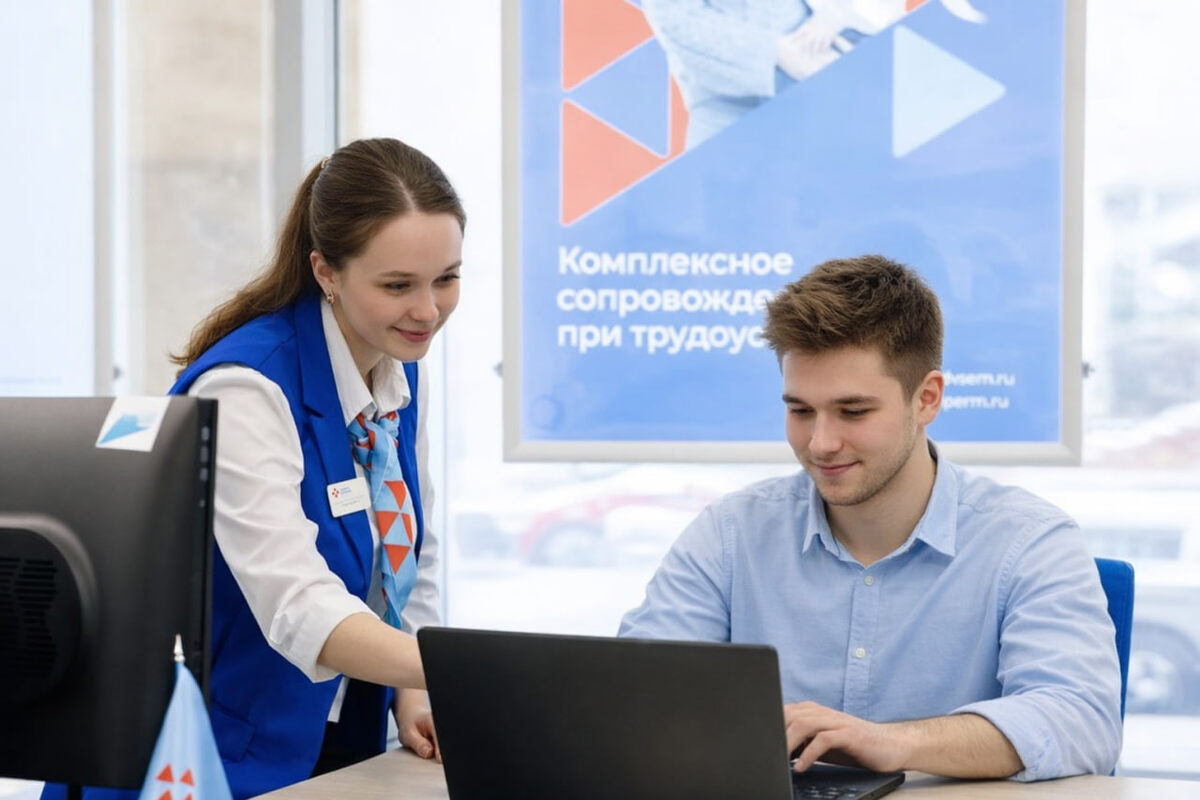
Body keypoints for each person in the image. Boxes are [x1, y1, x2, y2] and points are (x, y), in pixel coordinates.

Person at [44, 138, 464, 800]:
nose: (428, 311)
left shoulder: (399, 367)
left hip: (331, 746)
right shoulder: (247, 387)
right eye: (397, 285)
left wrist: (412, 692)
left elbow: (413, 553)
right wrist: (459, 671)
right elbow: (298, 604)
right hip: (206, 759)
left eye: (446, 279)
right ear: (327, 272)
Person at [619, 255, 1122, 781]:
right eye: (800, 410)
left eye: (853, 411)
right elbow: (634, 700)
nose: (820, 443)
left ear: (926, 399)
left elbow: (1081, 720)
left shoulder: (1029, 540)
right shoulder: (731, 534)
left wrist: (895, 742)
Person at [642, 0, 909, 148]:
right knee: (723, 215)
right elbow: (677, 20)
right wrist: (774, 51)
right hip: (726, 106)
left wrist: (835, 16)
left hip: (825, 72)